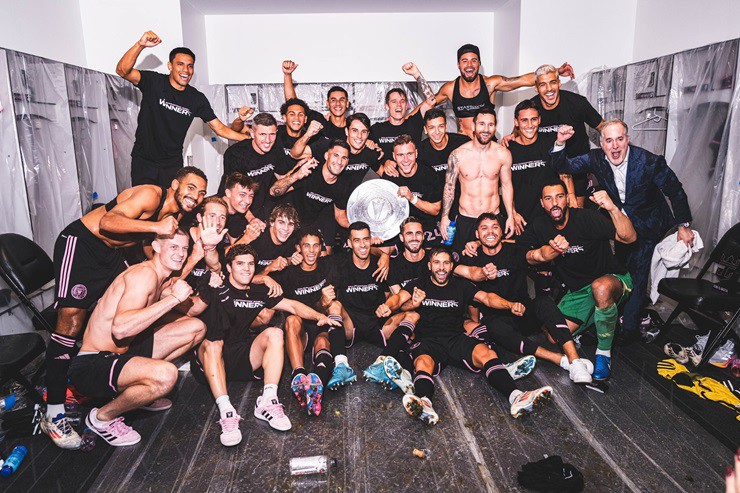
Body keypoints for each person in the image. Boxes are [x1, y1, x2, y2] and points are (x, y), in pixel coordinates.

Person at [41, 166, 208, 449]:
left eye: (202, 192)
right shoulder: (151, 195)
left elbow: (156, 256)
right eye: (191, 187)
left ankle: (136, 386)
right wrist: (156, 227)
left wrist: (192, 257)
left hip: (113, 254)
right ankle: (54, 411)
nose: (196, 196)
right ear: (175, 184)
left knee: (142, 298)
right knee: (70, 323)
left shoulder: (175, 217)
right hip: (84, 244)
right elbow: (108, 222)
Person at [68, 229, 217, 446]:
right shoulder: (143, 275)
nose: (180, 253)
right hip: (93, 364)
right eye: (173, 247)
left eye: (184, 248)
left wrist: (205, 265)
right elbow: (120, 329)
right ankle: (101, 418)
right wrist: (173, 299)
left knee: (195, 328)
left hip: (124, 352)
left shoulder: (160, 276)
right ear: (155, 247)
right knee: (167, 375)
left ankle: (140, 390)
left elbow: (189, 301)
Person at [551, 120, 693, 342]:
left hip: (650, 223)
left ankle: (629, 330)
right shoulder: (596, 158)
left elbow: (675, 190)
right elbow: (563, 166)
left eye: (619, 139)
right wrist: (560, 142)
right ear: (602, 144)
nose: (615, 146)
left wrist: (683, 226)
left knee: (638, 272)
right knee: (621, 270)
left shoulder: (648, 161)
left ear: (628, 140)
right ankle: (617, 318)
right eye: (609, 140)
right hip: (621, 223)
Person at [380, 247, 554, 424]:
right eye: (437, 263)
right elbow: (398, 298)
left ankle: (516, 397)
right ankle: (424, 403)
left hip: (456, 338)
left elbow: (487, 298)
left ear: (451, 266)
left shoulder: (461, 285)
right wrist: (387, 306)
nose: (441, 268)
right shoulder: (419, 285)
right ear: (429, 266)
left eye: (446, 263)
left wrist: (510, 305)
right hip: (428, 340)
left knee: (486, 353)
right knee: (423, 363)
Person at [189, 244, 339, 444]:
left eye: (250, 264)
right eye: (240, 264)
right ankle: (226, 412)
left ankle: (268, 401)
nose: (246, 268)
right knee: (214, 343)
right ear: (229, 268)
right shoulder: (217, 286)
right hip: (209, 359)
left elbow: (293, 306)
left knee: (275, 333)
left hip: (241, 356)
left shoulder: (258, 291)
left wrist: (320, 316)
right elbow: (192, 308)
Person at [519, 179, 637, 380]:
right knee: (553, 335)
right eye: (548, 198)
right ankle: (601, 319)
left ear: (567, 199)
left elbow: (629, 237)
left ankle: (604, 354)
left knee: (600, 288)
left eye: (559, 197)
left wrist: (612, 208)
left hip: (611, 279)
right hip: (579, 291)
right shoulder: (540, 225)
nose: (554, 203)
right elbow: (521, 251)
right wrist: (545, 253)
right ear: (542, 203)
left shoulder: (586, 218)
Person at [455, 213, 593, 383]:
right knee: (495, 327)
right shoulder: (470, 257)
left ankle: (575, 360)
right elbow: (466, 280)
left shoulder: (514, 250)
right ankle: (560, 359)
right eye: (484, 228)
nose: (490, 232)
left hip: (524, 313)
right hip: (497, 320)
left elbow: (538, 255)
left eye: (495, 227)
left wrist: (556, 249)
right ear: (477, 234)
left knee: (544, 303)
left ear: (502, 232)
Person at [115, 31, 247, 187]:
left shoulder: (196, 98)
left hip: (172, 164)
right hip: (144, 161)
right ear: (170, 66)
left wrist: (249, 139)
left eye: (190, 66)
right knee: (145, 200)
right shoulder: (154, 82)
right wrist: (140, 45)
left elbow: (220, 128)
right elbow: (122, 71)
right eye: (180, 64)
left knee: (170, 201)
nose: (186, 70)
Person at [324, 222, 414, 391]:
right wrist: (323, 300)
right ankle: (341, 365)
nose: (363, 245)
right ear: (349, 243)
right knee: (334, 305)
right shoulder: (338, 264)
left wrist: (389, 307)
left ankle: (381, 363)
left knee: (413, 315)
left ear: (371, 240)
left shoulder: (382, 265)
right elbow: (324, 299)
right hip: (351, 325)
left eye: (366, 239)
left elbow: (396, 296)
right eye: (357, 240)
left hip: (377, 323)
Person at [431, 45, 573, 138]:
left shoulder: (490, 84)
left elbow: (521, 80)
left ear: (479, 63)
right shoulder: (450, 88)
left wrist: (556, 71)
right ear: (458, 64)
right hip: (464, 146)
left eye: (474, 60)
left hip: (488, 145)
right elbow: (428, 104)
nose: (469, 65)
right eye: (464, 61)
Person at [275, 228, 343, 416]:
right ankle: (298, 374)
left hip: (321, 325)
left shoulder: (328, 265)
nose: (311, 251)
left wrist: (384, 256)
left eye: (315, 246)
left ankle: (316, 386)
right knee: (291, 320)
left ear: (321, 248)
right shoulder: (289, 274)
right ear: (298, 248)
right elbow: (257, 281)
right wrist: (267, 273)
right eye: (306, 246)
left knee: (322, 341)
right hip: (300, 332)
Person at [440, 108, 520, 252]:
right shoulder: (457, 155)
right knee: (464, 261)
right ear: (473, 126)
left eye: (491, 125)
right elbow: (449, 187)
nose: (486, 129)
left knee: (493, 262)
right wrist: (444, 217)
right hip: (467, 219)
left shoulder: (503, 154)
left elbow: (507, 186)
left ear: (495, 127)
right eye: (482, 124)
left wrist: (510, 216)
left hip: (493, 219)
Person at [529, 64, 604, 207]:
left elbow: (602, 126)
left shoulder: (577, 103)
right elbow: (520, 130)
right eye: (543, 84)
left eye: (552, 82)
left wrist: (615, 145)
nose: (549, 89)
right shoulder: (532, 107)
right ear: (536, 88)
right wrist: (510, 137)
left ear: (559, 83)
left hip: (576, 168)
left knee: (576, 211)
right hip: (547, 168)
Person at [218, 112, 315, 218]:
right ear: (252, 133)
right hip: (236, 209)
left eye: (272, 134)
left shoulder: (276, 147)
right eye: (262, 134)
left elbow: (281, 176)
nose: (268, 140)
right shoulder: (236, 154)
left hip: (261, 208)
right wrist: (251, 219)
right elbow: (233, 194)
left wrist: (299, 168)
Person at [507, 100, 576, 224]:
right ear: (516, 122)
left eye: (533, 119)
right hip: (520, 220)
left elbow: (564, 172)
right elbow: (504, 186)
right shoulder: (507, 150)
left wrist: (572, 198)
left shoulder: (551, 143)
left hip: (550, 217)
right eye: (524, 120)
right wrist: (512, 213)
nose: (529, 125)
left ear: (539, 120)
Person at [287, 140, 351, 254]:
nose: (339, 162)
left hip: (310, 224)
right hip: (289, 221)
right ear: (326, 156)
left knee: (323, 254)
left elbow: (340, 215)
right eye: (336, 155)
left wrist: (359, 228)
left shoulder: (343, 185)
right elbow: (275, 191)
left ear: (347, 162)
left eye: (344, 158)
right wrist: (296, 176)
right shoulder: (310, 170)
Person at [385, 135, 442, 245]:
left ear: (416, 153)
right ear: (394, 156)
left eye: (410, 154)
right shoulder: (390, 175)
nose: (406, 160)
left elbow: (435, 210)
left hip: (427, 225)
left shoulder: (429, 174)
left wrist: (412, 198)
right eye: (400, 155)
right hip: (398, 227)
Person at [371, 85, 434, 170]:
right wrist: (383, 163)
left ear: (406, 105)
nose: (399, 105)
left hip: (414, 176)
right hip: (388, 177)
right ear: (387, 106)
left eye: (402, 101)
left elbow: (431, 100)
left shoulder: (414, 123)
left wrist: (417, 76)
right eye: (394, 102)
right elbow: (364, 148)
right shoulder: (377, 129)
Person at [283, 60, 350, 140]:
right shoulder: (318, 121)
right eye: (333, 100)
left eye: (342, 100)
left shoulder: (353, 127)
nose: (338, 103)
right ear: (327, 103)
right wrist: (287, 75)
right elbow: (293, 104)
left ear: (347, 103)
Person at [249, 203, 302, 275]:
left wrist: (291, 261)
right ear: (272, 222)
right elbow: (242, 278)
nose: (286, 228)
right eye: (281, 222)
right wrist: (268, 269)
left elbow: (288, 260)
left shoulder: (291, 240)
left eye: (290, 224)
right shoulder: (257, 238)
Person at [418, 108, 470, 178]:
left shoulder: (462, 143)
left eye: (441, 126)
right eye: (431, 128)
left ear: (446, 126)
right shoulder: (420, 152)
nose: (437, 132)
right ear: (425, 129)